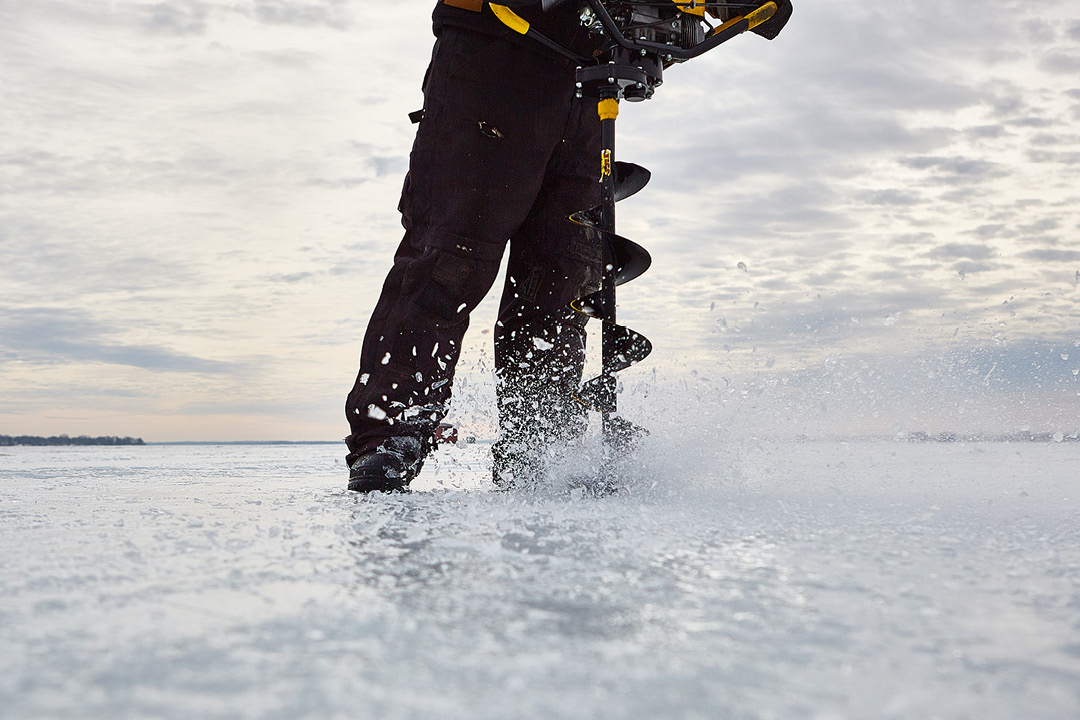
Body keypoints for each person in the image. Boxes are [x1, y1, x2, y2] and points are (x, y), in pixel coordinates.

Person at [344, 1, 791, 493]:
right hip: (493, 53)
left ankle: (539, 443)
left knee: (561, 273)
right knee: (452, 253)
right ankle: (392, 431)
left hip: (590, 76)